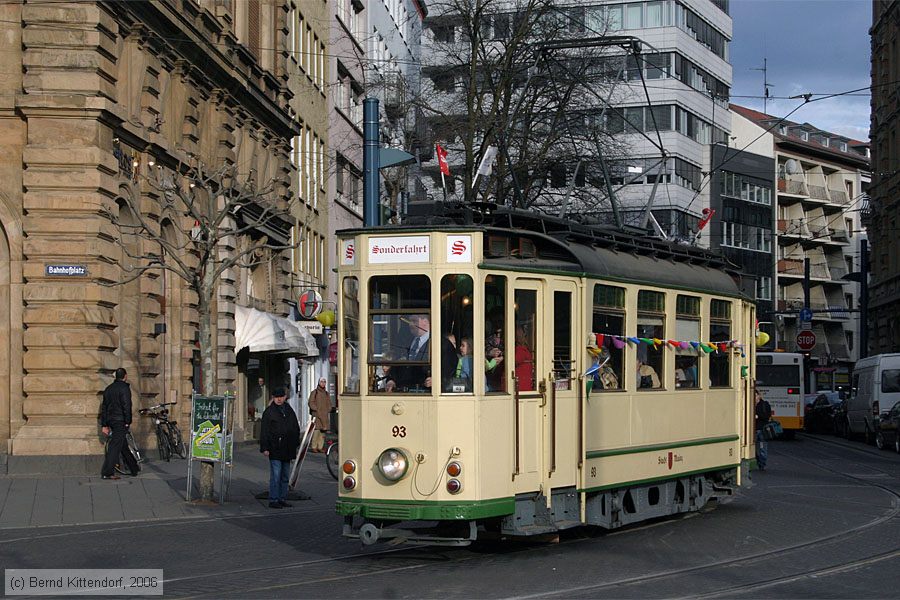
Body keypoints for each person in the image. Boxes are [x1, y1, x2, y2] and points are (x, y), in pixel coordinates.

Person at [259, 388, 301, 508]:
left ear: (285, 397)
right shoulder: (269, 412)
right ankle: (273, 500)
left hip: (287, 448)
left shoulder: (288, 410)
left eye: (281, 397)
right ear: (273, 397)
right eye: (276, 397)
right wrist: (265, 447)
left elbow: (295, 427)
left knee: (285, 476)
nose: (278, 399)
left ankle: (282, 498)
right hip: (275, 448)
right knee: (276, 476)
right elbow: (264, 431)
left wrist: (295, 444)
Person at [100, 367, 137, 479]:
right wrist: (127, 421)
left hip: (111, 420)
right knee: (115, 446)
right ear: (125, 376)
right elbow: (127, 405)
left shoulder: (108, 389)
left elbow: (104, 408)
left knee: (123, 445)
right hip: (120, 421)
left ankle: (134, 468)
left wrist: (104, 424)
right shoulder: (124, 388)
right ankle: (107, 473)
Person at [386, 314, 432, 392]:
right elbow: (397, 362)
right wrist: (391, 380)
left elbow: (448, 369)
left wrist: (437, 380)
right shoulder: (406, 341)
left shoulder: (439, 343)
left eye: (414, 321)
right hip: (403, 392)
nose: (410, 324)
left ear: (425, 322)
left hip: (425, 392)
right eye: (410, 321)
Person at [307, 378, 331, 453]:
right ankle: (314, 446)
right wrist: (315, 409)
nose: (323, 383)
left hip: (324, 415)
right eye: (321, 382)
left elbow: (329, 403)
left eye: (324, 382)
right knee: (316, 431)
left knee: (322, 433)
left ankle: (320, 447)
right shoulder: (314, 392)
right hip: (317, 415)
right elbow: (311, 402)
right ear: (319, 383)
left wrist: (328, 409)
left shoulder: (327, 393)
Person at [755, 384, 772, 471]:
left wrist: (758, 416)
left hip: (762, 430)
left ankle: (762, 464)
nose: (754, 398)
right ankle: (758, 461)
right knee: (752, 448)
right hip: (753, 430)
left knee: (762, 448)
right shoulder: (750, 404)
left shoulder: (765, 404)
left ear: (758, 396)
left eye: (755, 395)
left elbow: (767, 416)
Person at [514, 324, 534, 391]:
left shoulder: (521, 349)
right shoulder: (521, 350)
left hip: (523, 382)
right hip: (522, 383)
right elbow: (516, 360)